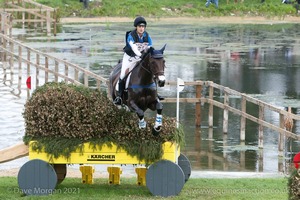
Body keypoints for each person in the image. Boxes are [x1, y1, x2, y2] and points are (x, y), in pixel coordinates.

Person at [114, 16, 153, 105]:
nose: (142, 28)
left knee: (151, 71)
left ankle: (154, 93)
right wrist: (142, 56)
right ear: (136, 27)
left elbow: (150, 46)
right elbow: (134, 49)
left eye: (143, 27)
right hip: (130, 57)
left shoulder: (147, 36)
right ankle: (119, 96)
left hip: (141, 58)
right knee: (123, 74)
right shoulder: (131, 35)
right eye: (140, 26)